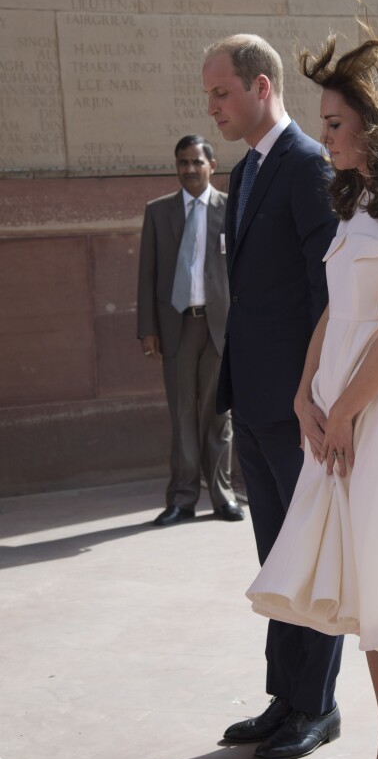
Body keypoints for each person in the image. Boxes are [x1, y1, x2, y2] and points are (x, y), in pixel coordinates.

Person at [247, 31, 378, 759]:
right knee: (369, 596)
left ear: (374, 122)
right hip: (335, 420)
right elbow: (335, 310)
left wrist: (345, 412)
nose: (324, 135)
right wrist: (306, 394)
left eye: (335, 123)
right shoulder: (359, 200)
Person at [202, 35, 344, 759]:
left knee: (310, 555)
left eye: (221, 92)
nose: (212, 107)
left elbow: (329, 293)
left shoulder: (308, 164)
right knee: (278, 558)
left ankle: (318, 706)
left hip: (297, 408)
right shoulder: (247, 169)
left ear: (262, 87)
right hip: (255, 401)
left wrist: (314, 395)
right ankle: (286, 697)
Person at [137, 135, 244, 527]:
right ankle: (182, 499)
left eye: (196, 162)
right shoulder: (158, 212)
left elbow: (245, 272)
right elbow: (147, 274)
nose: (189, 169)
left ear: (212, 165)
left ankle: (222, 495)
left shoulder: (232, 209)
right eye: (183, 162)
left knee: (219, 413)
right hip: (177, 326)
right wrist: (148, 329)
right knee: (183, 413)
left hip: (220, 327)